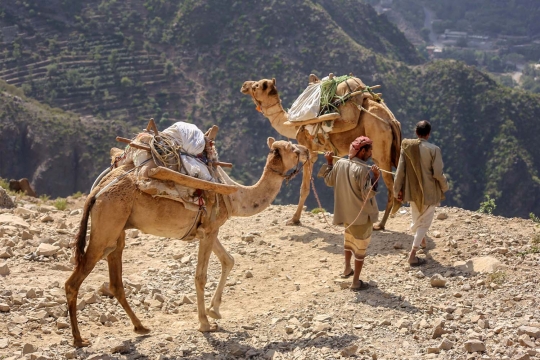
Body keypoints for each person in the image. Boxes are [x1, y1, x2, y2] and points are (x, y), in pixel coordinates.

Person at [323, 136, 380, 291]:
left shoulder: (339, 163)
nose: (371, 153)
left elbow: (328, 181)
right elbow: (368, 194)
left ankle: (347, 269)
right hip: (361, 216)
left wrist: (329, 162)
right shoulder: (363, 170)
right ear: (362, 151)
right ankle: (355, 282)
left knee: (348, 242)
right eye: (369, 150)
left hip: (346, 214)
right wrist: (376, 177)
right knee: (360, 249)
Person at [393, 120, 449, 266]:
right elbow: (437, 173)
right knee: (424, 223)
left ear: (416, 132)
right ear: (428, 134)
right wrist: (444, 186)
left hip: (412, 190)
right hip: (429, 191)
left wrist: (397, 189)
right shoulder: (434, 149)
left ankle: (423, 242)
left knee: (417, 216)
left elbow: (400, 170)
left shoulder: (407, 147)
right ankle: (412, 255)